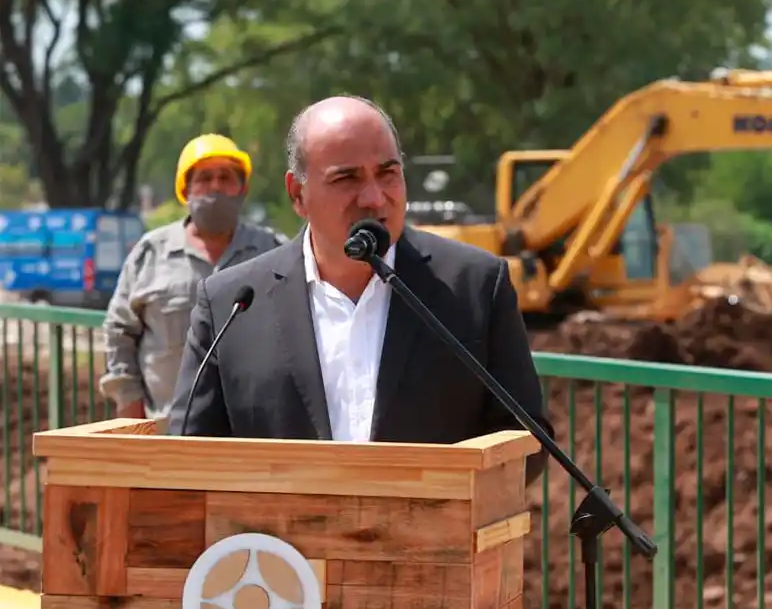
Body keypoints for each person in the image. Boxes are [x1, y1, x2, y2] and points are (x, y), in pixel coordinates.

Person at [165, 95, 550, 484]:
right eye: (346, 178)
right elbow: (187, 456)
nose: (373, 198)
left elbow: (525, 443)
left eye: (388, 173)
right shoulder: (231, 304)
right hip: (279, 544)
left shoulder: (476, 286)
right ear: (297, 194)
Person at [99, 134, 284, 420]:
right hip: (165, 431)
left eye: (226, 177)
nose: (215, 187)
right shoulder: (151, 253)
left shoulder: (272, 251)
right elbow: (119, 331)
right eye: (204, 178)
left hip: (252, 436)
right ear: (185, 190)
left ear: (243, 188)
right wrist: (131, 414)